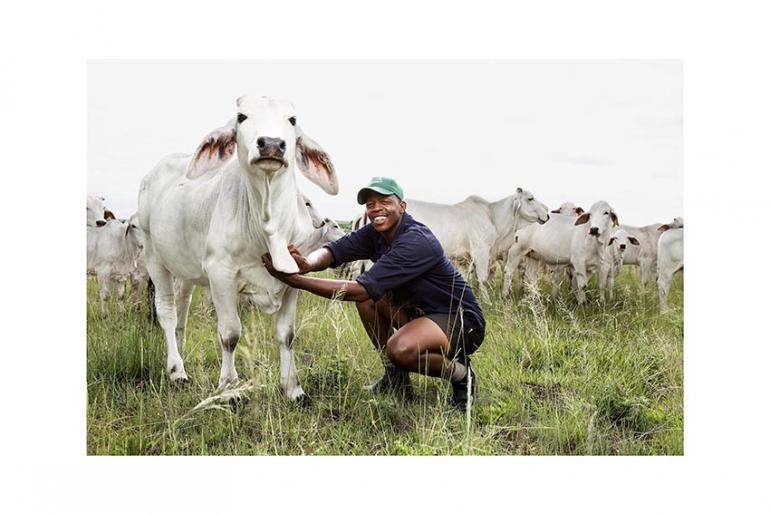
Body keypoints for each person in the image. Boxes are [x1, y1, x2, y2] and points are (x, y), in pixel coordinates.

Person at [261, 177, 485, 410]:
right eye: (369, 204)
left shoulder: (416, 241)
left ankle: (462, 375)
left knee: (400, 348)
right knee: (370, 301)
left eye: (384, 201)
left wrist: (297, 280)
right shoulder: (375, 234)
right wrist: (307, 262)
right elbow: (334, 251)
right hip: (420, 314)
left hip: (459, 320)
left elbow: (359, 290)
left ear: (402, 207)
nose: (376, 208)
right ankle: (395, 378)